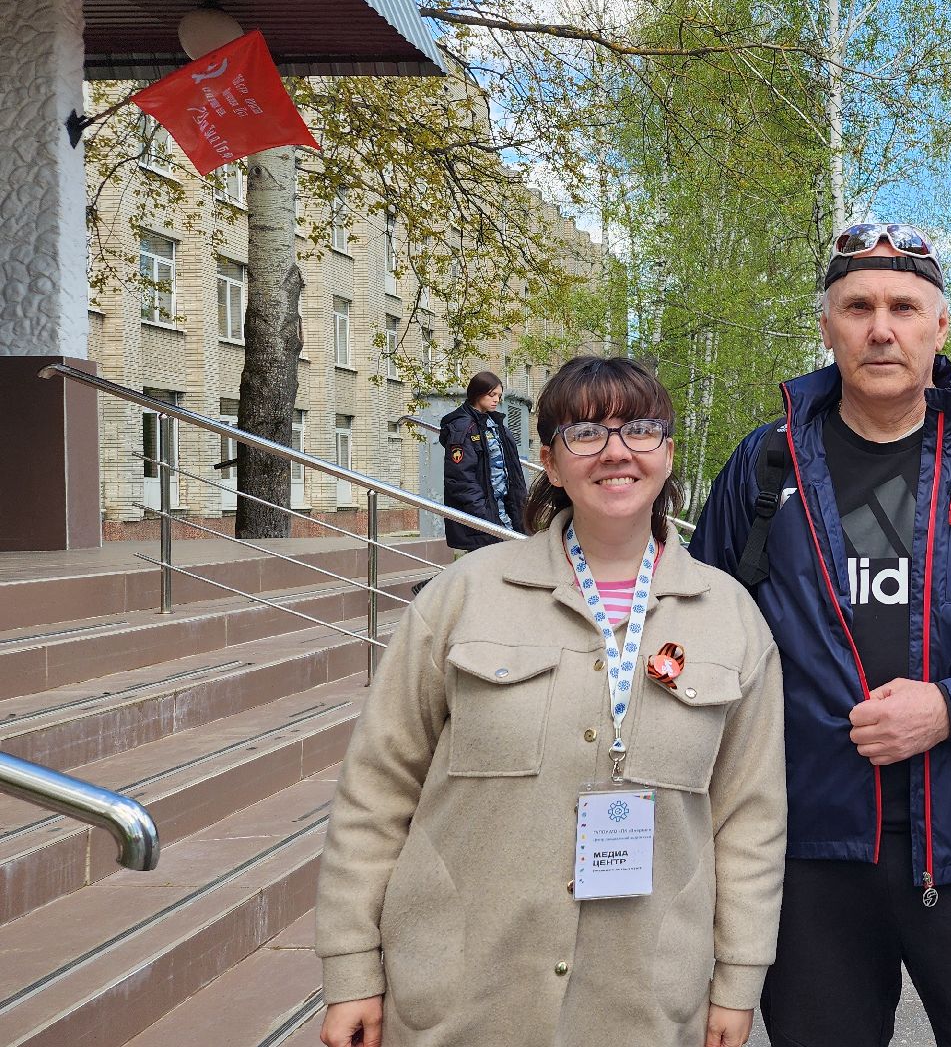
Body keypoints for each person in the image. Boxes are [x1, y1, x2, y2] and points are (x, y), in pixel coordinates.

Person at [690, 222, 951, 1047]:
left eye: (905, 307)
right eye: (859, 305)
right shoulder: (766, 463)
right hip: (809, 850)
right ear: (827, 325)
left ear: (940, 327)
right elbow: (698, 631)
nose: (883, 327)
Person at [317, 356, 786, 1047]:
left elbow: (750, 821)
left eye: (640, 430)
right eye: (586, 434)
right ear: (550, 461)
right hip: (463, 998)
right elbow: (376, 792)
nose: (617, 452)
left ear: (668, 453)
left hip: (645, 1004)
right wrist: (353, 968)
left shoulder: (731, 619)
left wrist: (739, 978)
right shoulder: (464, 596)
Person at [441, 370, 530, 551]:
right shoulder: (462, 427)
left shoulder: (495, 424)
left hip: (504, 509)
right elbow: (460, 479)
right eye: (492, 395)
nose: (496, 400)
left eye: (499, 395)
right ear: (477, 393)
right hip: (485, 516)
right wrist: (484, 515)